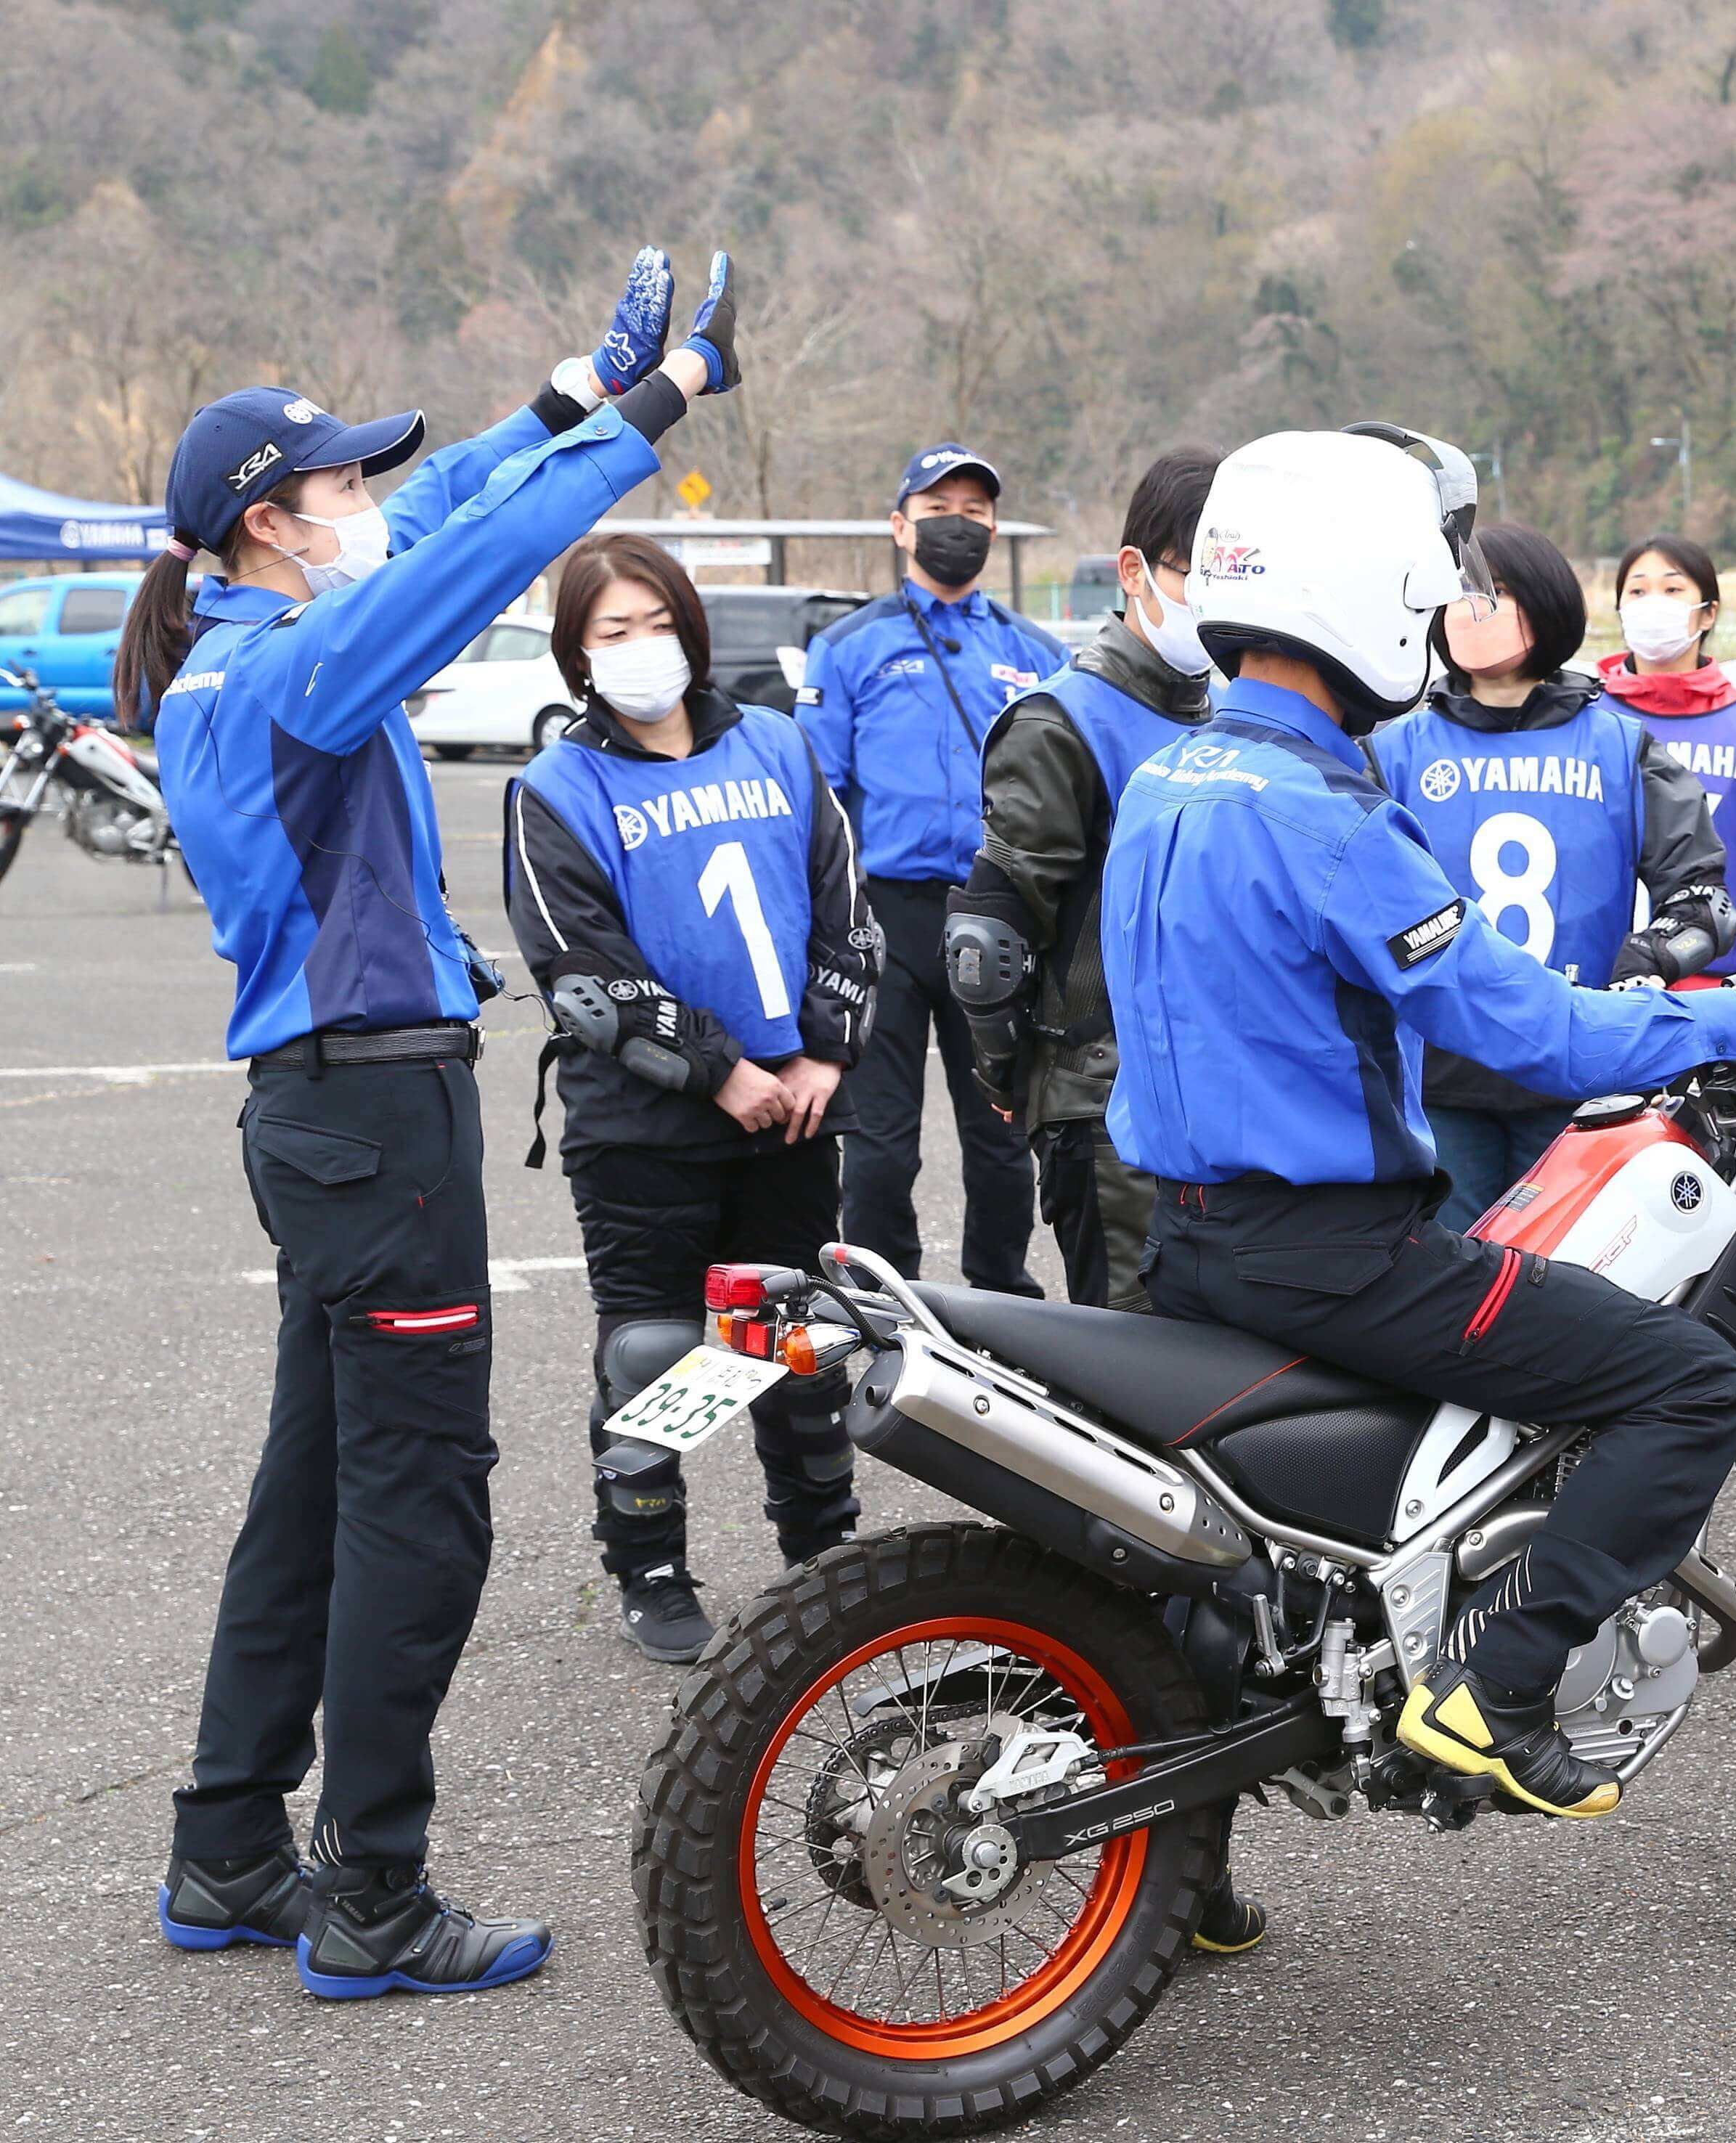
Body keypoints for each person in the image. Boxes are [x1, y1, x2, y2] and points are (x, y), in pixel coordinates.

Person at [1102, 424, 1736, 1821]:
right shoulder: (1326, 812)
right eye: (1420, 599)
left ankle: (1185, 1866)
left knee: (1235, 1549)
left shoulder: (1170, 777)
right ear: (1364, 605)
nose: (1434, 625)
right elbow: (1533, 1030)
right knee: (1685, 1384)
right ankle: (1496, 1686)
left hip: (1190, 1236)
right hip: (1340, 1254)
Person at [131, 248, 739, 1998]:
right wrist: (649, 412)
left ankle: (231, 1844)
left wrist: (556, 405)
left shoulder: (248, 650)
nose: (368, 504)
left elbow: (452, 501)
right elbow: (470, 554)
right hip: (376, 1117)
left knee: (314, 1490)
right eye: (339, 486)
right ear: (267, 528)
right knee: (424, 1499)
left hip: (329, 1114)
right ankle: (372, 1888)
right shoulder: (293, 673)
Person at [507, 534, 876, 1665]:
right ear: (576, 653)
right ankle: (651, 1564)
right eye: (611, 631)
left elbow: (844, 911)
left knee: (797, 1346)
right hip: (647, 1132)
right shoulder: (556, 788)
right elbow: (584, 975)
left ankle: (821, 1554)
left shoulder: (776, 745)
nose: (640, 647)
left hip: (796, 1115)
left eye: (655, 622)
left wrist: (824, 1055)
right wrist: (722, 1071)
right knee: (656, 1350)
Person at [1373, 521, 1735, 1228]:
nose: (1475, 611)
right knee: (1458, 1294)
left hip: (1586, 1070)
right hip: (1444, 1081)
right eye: (1461, 596)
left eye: (1498, 593)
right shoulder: (1395, 751)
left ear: (1546, 602)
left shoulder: (1621, 747)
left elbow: (1706, 905)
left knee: (1577, 1290)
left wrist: (1650, 958)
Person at [947, 446, 1222, 1312]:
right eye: (1197, 573)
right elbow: (990, 943)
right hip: (1106, 1110)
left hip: (1226, 1091)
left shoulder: (1237, 710)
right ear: (1135, 570)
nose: (1217, 602)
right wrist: (1011, 1078)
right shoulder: (1064, 719)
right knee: (1138, 1376)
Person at [799, 444, 1063, 1297]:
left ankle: (1000, 1299)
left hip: (1001, 913)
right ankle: (884, 1301)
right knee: (880, 1142)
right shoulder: (848, 648)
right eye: (940, 507)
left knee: (1001, 1136)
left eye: (977, 512)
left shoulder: (1039, 653)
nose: (960, 524)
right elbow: (818, 802)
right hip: (886, 921)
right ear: (900, 523)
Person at [1594, 534, 1736, 981]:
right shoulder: (1587, 719)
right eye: (1637, 591)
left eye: (1673, 590)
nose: (1653, 603)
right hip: (1595, 992)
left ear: (1709, 611)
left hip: (1713, 995)